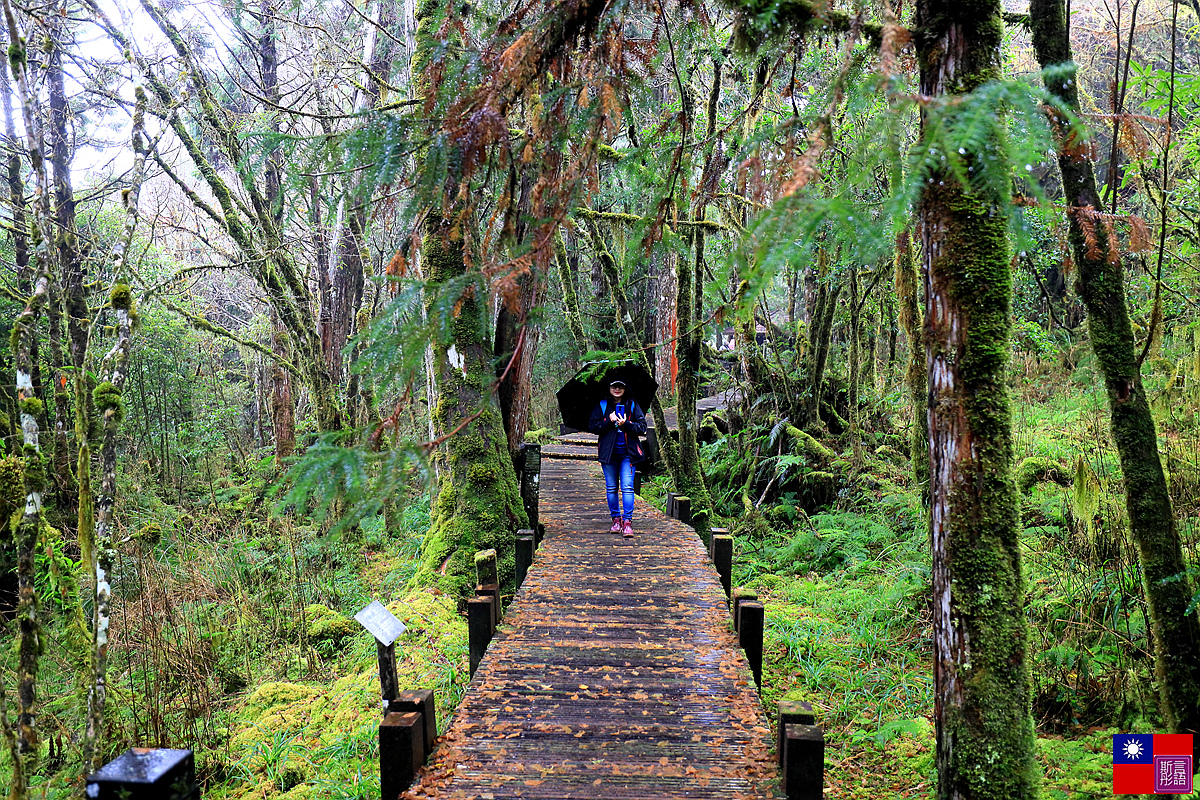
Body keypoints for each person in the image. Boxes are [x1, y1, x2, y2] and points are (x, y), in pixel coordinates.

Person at [588, 379, 647, 538]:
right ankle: (616, 520)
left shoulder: (632, 405)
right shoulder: (602, 405)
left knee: (627, 487)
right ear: (609, 388)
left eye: (620, 386)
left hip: (628, 454)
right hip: (609, 454)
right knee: (611, 487)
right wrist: (609, 420)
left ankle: (627, 522)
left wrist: (626, 423)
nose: (617, 389)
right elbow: (593, 426)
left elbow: (642, 427)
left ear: (625, 388)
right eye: (614, 386)